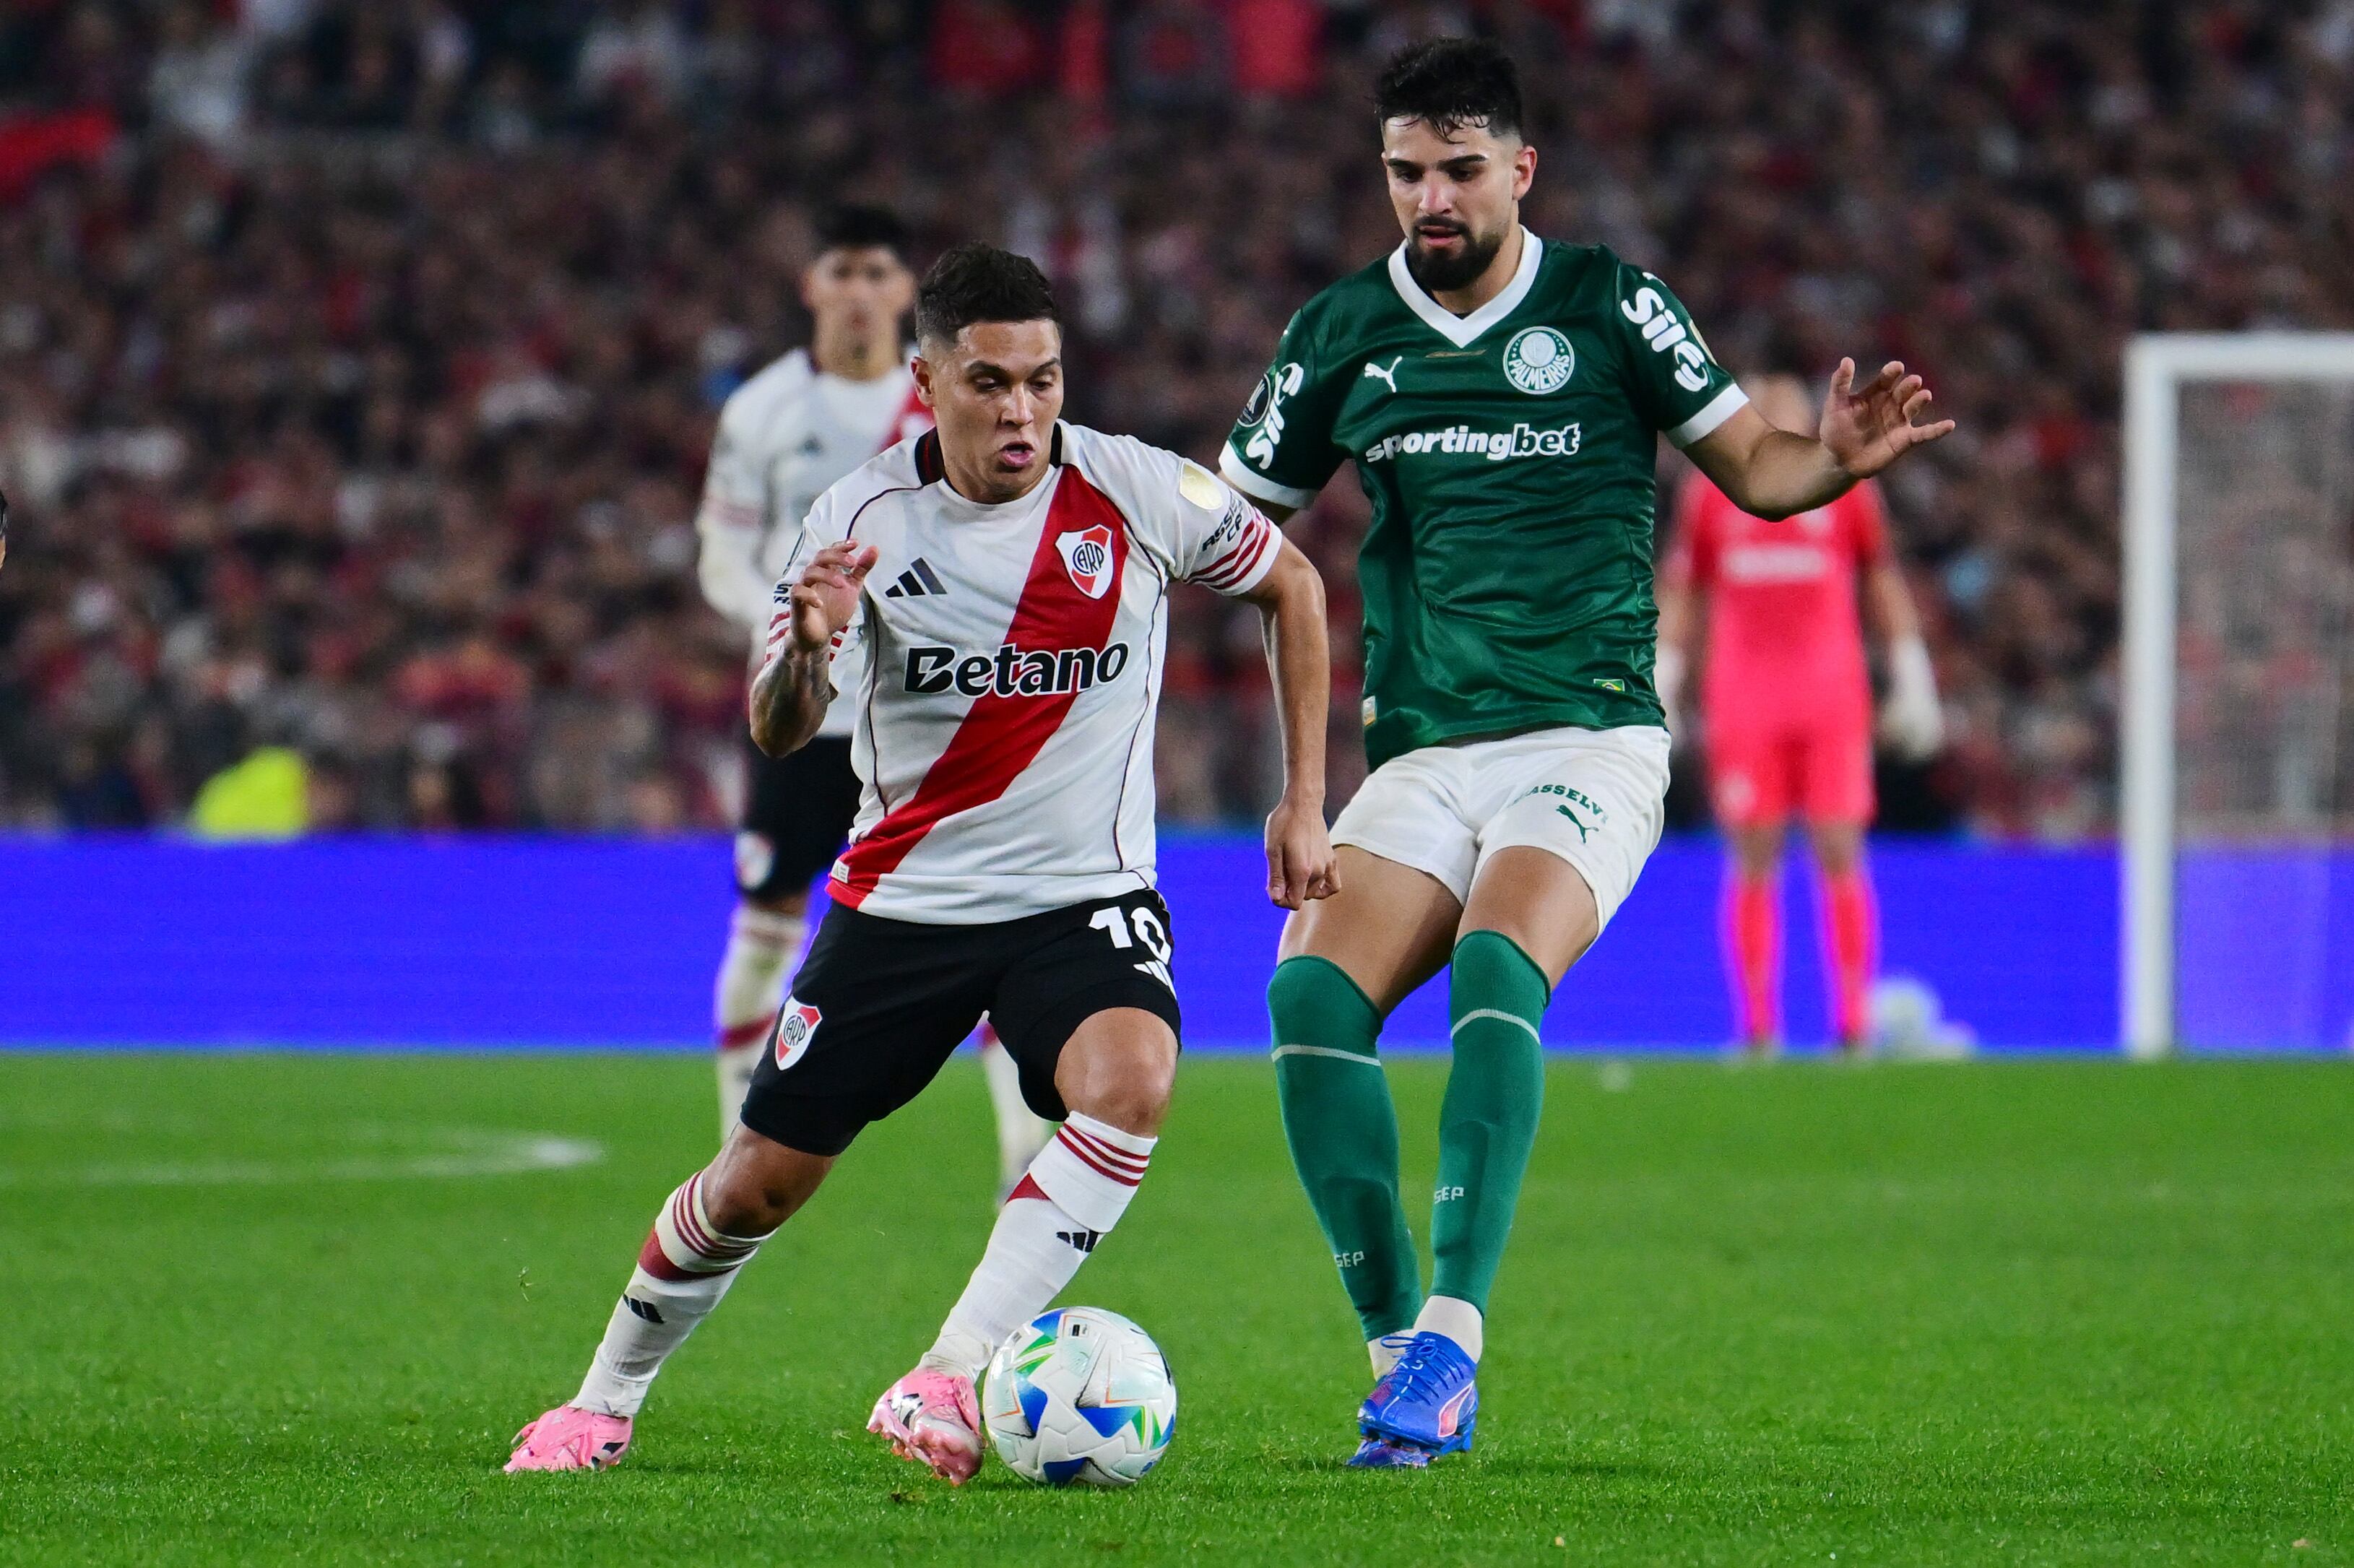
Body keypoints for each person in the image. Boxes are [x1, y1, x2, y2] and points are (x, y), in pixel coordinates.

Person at [1216, 38, 1953, 1467]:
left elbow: (1762, 469)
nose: (1430, 195)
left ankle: (1455, 1328)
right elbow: (1237, 533)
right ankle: (1396, 1360)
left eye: (1458, 168)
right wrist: (1300, 783)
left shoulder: (1612, 303)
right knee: (1307, 992)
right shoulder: (1337, 331)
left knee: (1499, 962)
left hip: (1592, 736)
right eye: (1406, 171)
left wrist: (1838, 456)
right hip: (1423, 752)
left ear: (1520, 170)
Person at [508, 244, 1336, 1481]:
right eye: (989, 383)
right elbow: (779, 725)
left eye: (1043, 382)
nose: (1020, 412)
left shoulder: (1139, 492)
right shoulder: (860, 517)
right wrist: (805, 649)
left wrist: (1304, 800)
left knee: (1134, 1077)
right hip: (908, 902)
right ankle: (600, 1401)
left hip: (1081, 895)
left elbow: (1296, 585)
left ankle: (945, 1372)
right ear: (928, 380)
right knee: (757, 1183)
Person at [694, 204, 1047, 1185]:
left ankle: (1024, 1148)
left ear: (906, 294)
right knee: (767, 916)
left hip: (930, 714)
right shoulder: (760, 411)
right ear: (812, 285)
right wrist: (783, 621)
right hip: (808, 714)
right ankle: (740, 1133)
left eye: (877, 273)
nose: (858, 291)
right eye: (840, 270)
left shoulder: (943, 398)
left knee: (982, 928)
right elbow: (720, 550)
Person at [1656, 373, 1944, 1054]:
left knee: (1839, 851)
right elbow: (1683, 589)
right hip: (1744, 696)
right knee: (1753, 857)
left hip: (1830, 696)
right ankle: (1757, 1032)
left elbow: (1880, 576)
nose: (1777, 415)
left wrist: (1910, 670)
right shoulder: (1711, 494)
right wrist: (1664, 677)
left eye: (1788, 405)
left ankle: (1850, 1026)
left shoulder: (1843, 485)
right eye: (1764, 407)